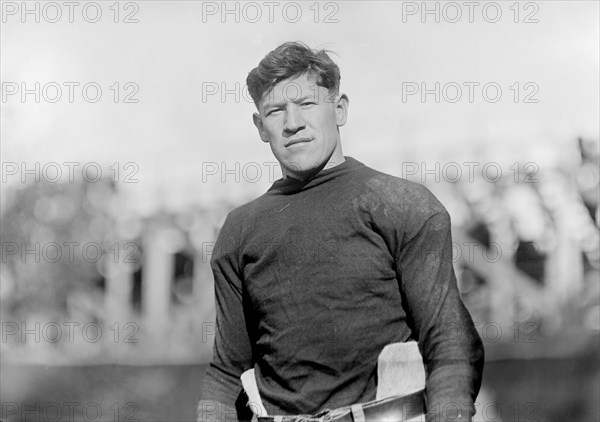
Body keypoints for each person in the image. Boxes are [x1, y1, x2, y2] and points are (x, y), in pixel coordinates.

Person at [197, 42, 484, 422]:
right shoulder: (240, 230)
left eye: (307, 104)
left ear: (340, 108)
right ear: (260, 127)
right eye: (275, 110)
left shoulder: (402, 205)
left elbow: (450, 346)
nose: (292, 122)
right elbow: (226, 372)